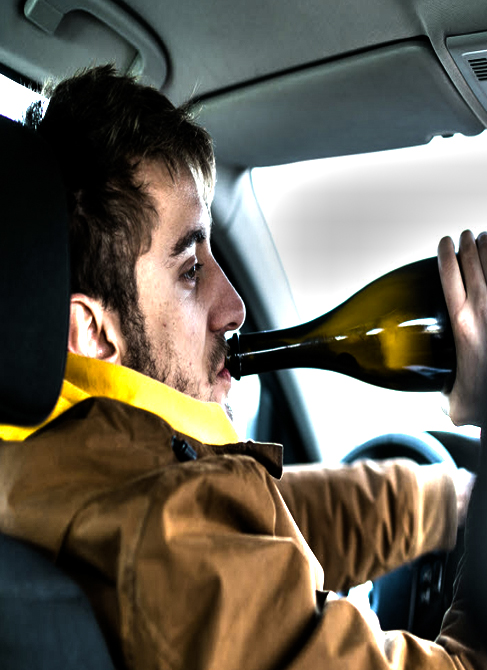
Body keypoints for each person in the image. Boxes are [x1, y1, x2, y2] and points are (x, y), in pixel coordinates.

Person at [0, 64, 484, 669]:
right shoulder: (160, 539)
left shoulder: (59, 461)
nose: (235, 306)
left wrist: (441, 501)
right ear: (94, 332)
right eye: (190, 269)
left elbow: (241, 512)